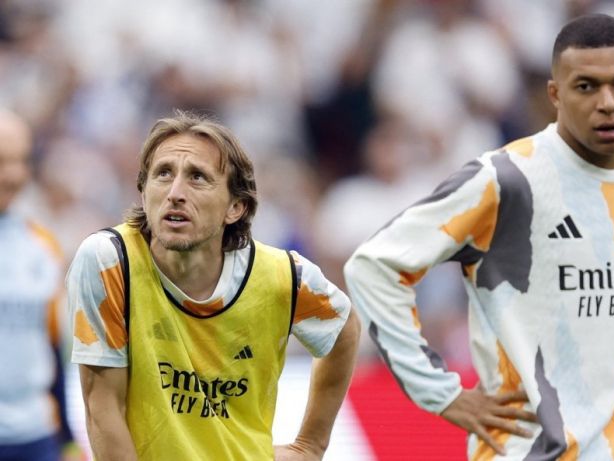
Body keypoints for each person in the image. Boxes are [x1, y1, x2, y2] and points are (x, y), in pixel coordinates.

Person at [344, 13, 614, 460]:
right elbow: (374, 266)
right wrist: (441, 393)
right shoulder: (506, 180)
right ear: (555, 94)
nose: (608, 103)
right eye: (586, 86)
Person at [66, 110, 360, 460]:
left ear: (235, 207)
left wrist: (310, 444)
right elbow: (103, 409)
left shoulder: (281, 276)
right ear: (143, 193)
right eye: (163, 174)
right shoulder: (110, 261)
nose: (175, 193)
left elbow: (344, 328)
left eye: (197, 177)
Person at [0, 110, 81, 461]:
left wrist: (67, 439)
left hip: (36, 437)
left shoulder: (43, 245)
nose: (15, 174)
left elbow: (51, 345)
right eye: (2, 161)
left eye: (21, 160)